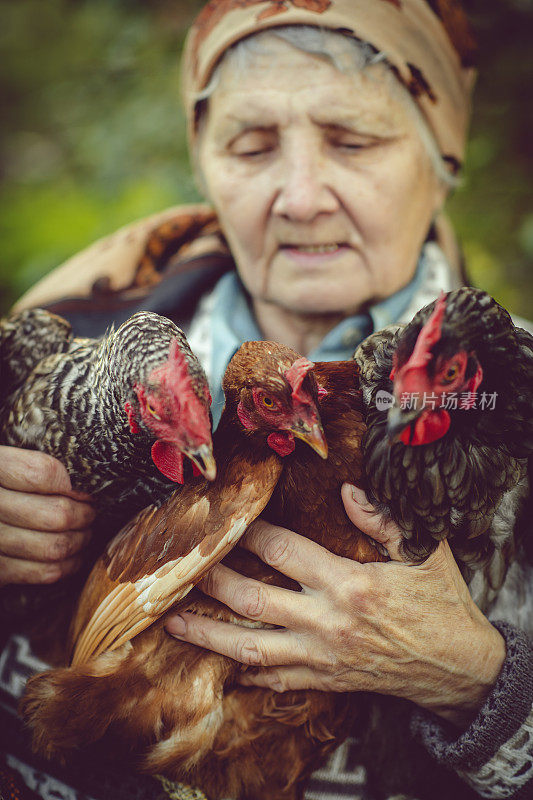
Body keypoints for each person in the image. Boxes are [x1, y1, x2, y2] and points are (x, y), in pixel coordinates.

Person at [0, 1, 531, 799]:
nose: (301, 195)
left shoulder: (510, 406)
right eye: (251, 145)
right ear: (202, 159)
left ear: (442, 157)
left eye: (352, 141)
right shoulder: (54, 349)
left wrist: (479, 681)